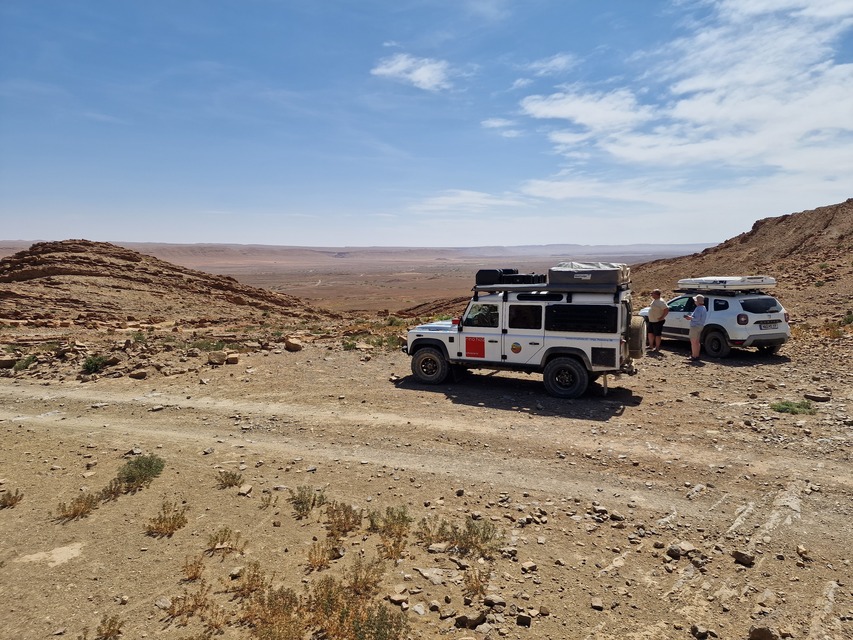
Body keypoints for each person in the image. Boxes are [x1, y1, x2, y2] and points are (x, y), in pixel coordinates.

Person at [684, 294, 707, 361]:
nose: (694, 301)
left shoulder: (698, 308)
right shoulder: (703, 308)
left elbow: (696, 318)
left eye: (695, 300)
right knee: (697, 342)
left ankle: (694, 356)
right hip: (700, 326)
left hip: (695, 326)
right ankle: (696, 355)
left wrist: (689, 318)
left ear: (698, 301)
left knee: (693, 342)